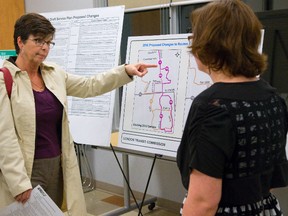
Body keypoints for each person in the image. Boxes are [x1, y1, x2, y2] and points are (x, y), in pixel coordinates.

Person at [0, 13, 156, 215]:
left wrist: (125, 71)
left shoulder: (53, 73)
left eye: (49, 42)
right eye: (38, 40)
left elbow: (89, 86)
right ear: (20, 41)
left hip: (57, 166)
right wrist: (18, 182)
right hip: (27, 169)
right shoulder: (5, 80)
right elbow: (5, 137)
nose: (45, 47)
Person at [177, 0, 288, 215]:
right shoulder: (273, 98)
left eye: (195, 35)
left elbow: (203, 202)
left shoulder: (211, 107)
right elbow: (268, 177)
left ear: (208, 44)